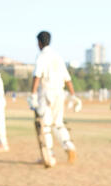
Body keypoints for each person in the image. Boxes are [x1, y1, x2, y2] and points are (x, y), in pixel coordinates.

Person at [28, 31, 82, 167]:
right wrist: (73, 95)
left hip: (46, 93)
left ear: (39, 42)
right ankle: (68, 145)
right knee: (58, 123)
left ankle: (49, 156)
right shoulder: (58, 57)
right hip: (60, 93)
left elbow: (37, 76)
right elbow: (67, 78)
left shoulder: (41, 56)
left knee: (45, 124)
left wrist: (33, 94)